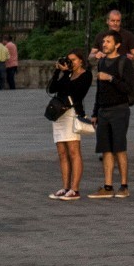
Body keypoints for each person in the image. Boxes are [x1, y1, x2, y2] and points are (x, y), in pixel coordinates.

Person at [88, 30, 134, 199]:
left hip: (119, 110)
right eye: (103, 41)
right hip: (103, 111)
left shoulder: (125, 63)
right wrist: (95, 112)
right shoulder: (101, 63)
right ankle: (107, 187)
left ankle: (124, 186)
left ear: (117, 45)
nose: (104, 44)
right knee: (106, 150)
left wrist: (110, 78)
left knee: (119, 149)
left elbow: (128, 88)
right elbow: (99, 91)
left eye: (108, 41)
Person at [47, 51, 91, 200]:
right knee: (62, 153)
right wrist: (58, 71)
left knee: (73, 152)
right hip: (59, 114)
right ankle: (65, 187)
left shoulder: (86, 75)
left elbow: (74, 92)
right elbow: (53, 89)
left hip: (72, 113)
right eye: (69, 60)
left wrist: (66, 74)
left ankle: (75, 189)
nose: (70, 63)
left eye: (73, 60)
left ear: (81, 61)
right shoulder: (67, 74)